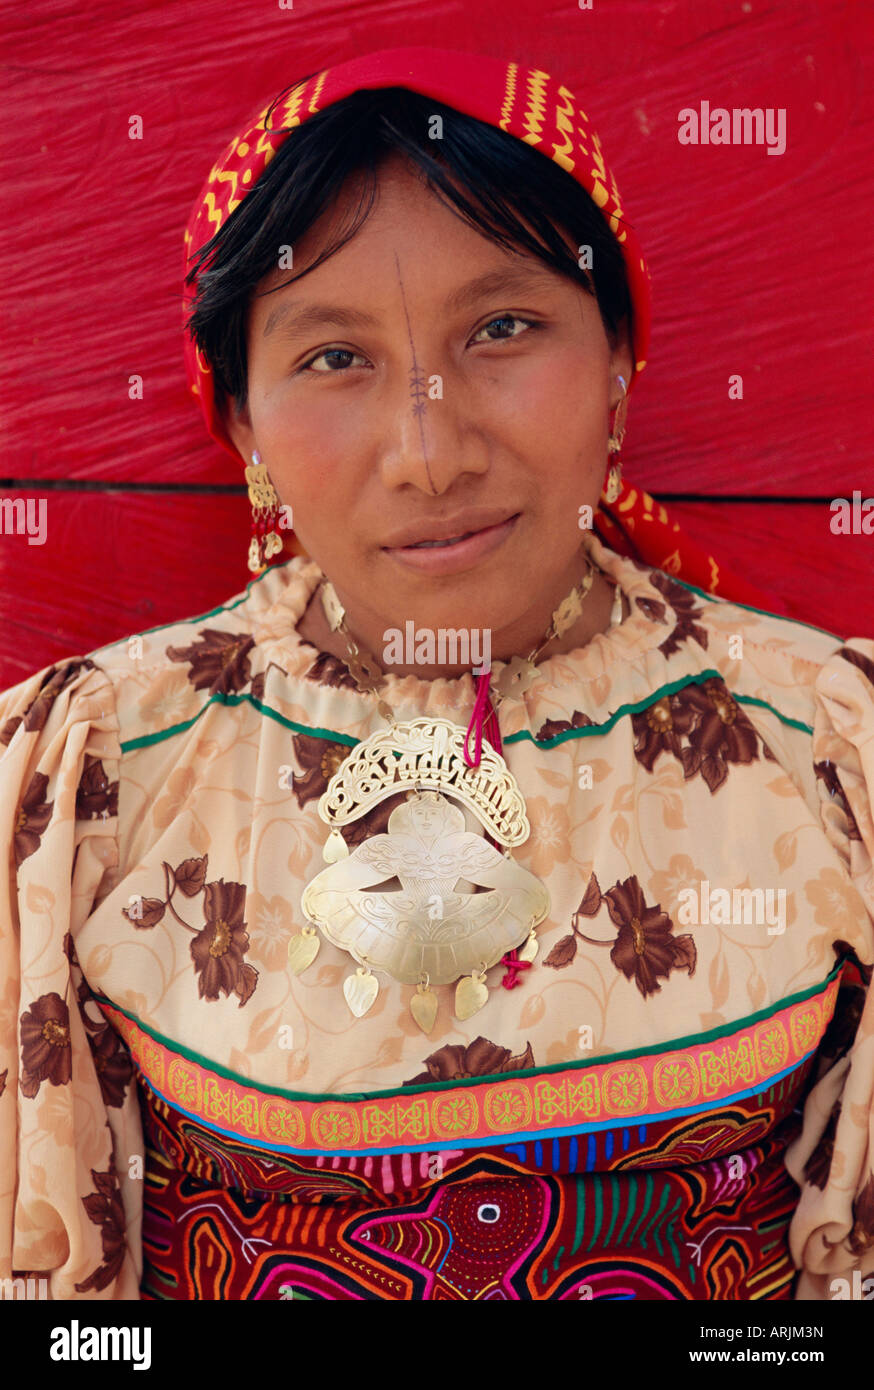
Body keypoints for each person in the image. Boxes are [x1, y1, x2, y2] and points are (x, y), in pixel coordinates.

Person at [1, 44, 872, 1303]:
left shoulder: (824, 744)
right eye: (332, 358)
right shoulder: (94, 779)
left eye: (504, 327)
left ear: (618, 357)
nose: (429, 450)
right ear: (240, 421)